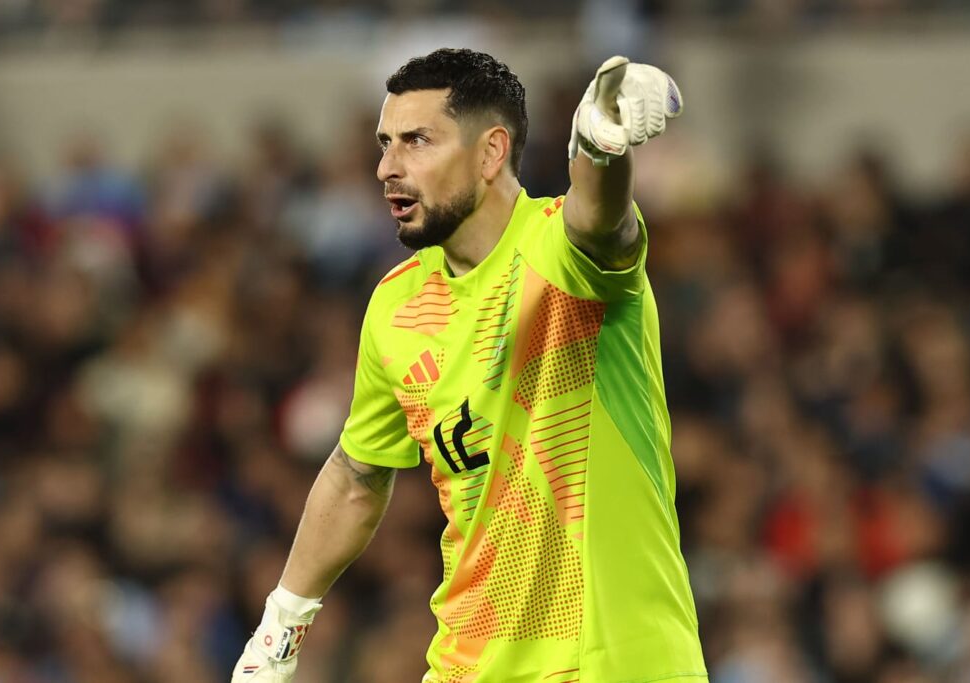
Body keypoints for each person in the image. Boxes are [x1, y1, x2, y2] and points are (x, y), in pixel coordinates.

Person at [231, 47, 706, 682]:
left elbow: (601, 222)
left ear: (491, 152)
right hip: (471, 665)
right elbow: (357, 475)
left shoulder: (558, 253)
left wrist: (599, 146)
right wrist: (280, 627)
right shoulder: (395, 306)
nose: (386, 167)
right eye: (385, 143)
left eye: (417, 141)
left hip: (612, 663)